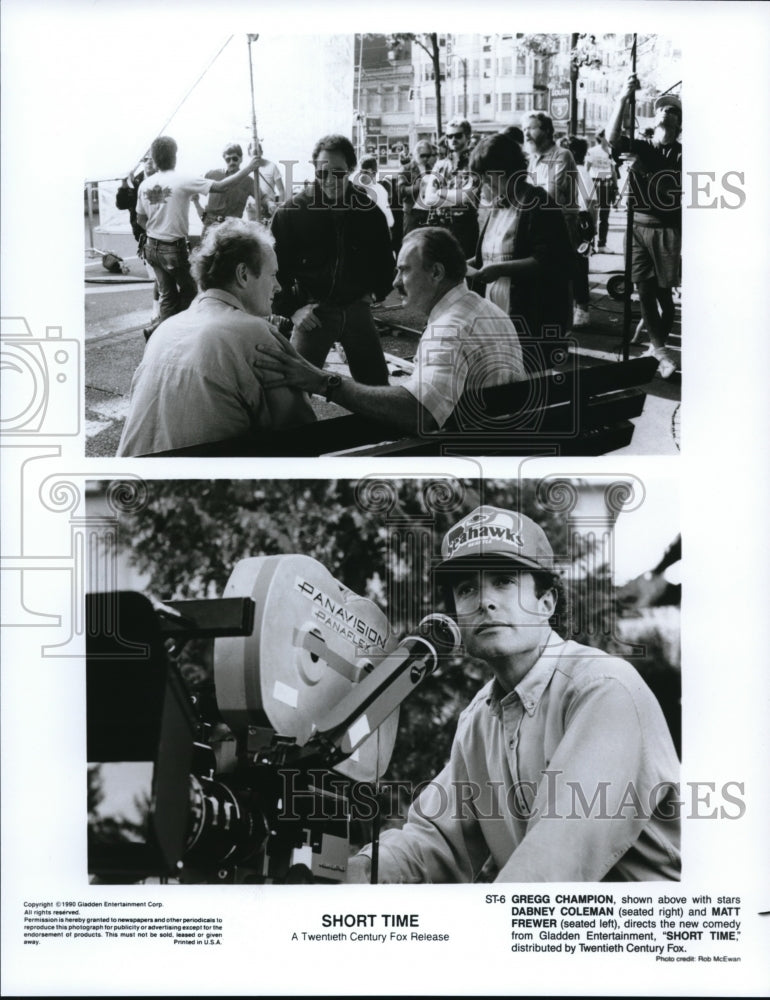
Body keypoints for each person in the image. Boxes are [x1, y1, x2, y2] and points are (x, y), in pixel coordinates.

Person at [347, 504, 681, 883]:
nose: (484, 601)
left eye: (504, 581)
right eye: (467, 588)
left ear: (546, 603)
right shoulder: (478, 721)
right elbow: (431, 844)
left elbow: (554, 863)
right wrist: (348, 877)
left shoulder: (604, 689)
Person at [254, 227, 525, 434]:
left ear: (436, 273)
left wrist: (324, 382)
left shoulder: (449, 329)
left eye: (404, 271)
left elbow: (419, 412)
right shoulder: (487, 310)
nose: (396, 282)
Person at [116, 219, 315, 457]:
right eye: (272, 275)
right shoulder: (255, 334)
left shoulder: (166, 329)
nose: (278, 287)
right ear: (243, 274)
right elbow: (301, 436)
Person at [270, 133, 395, 386]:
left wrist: (373, 293)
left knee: (378, 387)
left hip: (356, 308)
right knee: (291, 392)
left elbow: (384, 261)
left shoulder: (368, 211)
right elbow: (272, 270)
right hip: (313, 312)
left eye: (337, 173)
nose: (329, 180)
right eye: (322, 173)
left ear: (351, 169)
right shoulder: (291, 212)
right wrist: (292, 309)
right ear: (314, 169)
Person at [466, 133, 573, 370]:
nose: (484, 182)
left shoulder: (538, 201)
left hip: (531, 315)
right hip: (497, 312)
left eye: (486, 175)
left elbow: (550, 260)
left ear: (504, 170)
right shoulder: (497, 205)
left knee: (526, 379)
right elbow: (488, 256)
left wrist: (500, 269)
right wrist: (461, 263)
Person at [135, 135, 259, 329]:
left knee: (167, 295)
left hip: (151, 246)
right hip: (172, 248)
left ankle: (159, 333)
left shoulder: (145, 185)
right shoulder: (182, 179)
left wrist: (156, 230)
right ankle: (182, 333)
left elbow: (140, 219)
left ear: (156, 158)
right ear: (174, 156)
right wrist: (249, 168)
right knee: (191, 292)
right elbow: (221, 186)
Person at [608, 78, 682, 379]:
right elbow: (612, 137)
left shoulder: (682, 154)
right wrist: (623, 98)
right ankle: (659, 349)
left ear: (679, 123)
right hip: (637, 224)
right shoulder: (641, 145)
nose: (665, 111)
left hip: (666, 228)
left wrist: (645, 172)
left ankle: (657, 347)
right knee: (644, 289)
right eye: (661, 107)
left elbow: (671, 193)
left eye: (673, 110)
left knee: (664, 295)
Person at [524, 113, 591, 329]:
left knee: (564, 273)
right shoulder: (532, 158)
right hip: (538, 221)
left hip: (562, 222)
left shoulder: (562, 155)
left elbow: (549, 194)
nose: (526, 133)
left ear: (546, 130)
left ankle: (575, 314)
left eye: (532, 128)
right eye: (524, 128)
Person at [433, 118, 481, 257]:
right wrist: (454, 196)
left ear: (467, 137)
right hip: (441, 226)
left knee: (465, 272)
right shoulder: (440, 164)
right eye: (449, 136)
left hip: (465, 227)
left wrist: (440, 192)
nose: (453, 139)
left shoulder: (475, 163)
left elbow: (465, 198)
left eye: (458, 135)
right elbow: (429, 198)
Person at [197, 142, 257, 234]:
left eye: (235, 158)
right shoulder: (212, 174)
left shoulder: (249, 182)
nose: (231, 162)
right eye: (228, 160)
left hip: (232, 229)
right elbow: (195, 184)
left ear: (241, 159)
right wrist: (195, 200)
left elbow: (262, 197)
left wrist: (269, 203)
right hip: (210, 227)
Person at [398, 140, 441, 238]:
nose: (426, 158)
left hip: (428, 211)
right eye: (423, 155)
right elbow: (400, 191)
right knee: (410, 241)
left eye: (428, 155)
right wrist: (415, 187)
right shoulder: (406, 168)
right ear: (415, 154)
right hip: (412, 211)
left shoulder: (432, 168)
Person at [585, 130, 618, 251]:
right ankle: (591, 244)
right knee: (592, 216)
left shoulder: (610, 151)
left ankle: (601, 244)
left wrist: (615, 187)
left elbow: (613, 170)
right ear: (602, 137)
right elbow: (586, 169)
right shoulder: (592, 151)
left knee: (604, 216)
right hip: (594, 182)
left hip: (606, 183)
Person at [244, 141, 286, 224]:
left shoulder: (271, 166)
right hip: (252, 209)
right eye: (253, 152)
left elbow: (281, 190)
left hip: (269, 208)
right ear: (249, 153)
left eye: (257, 152)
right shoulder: (246, 169)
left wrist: (278, 209)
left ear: (261, 152)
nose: (256, 155)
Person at [353, 155, 395, 230]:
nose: (362, 175)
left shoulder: (379, 190)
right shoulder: (356, 189)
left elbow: (389, 219)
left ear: (374, 174)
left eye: (366, 172)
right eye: (360, 172)